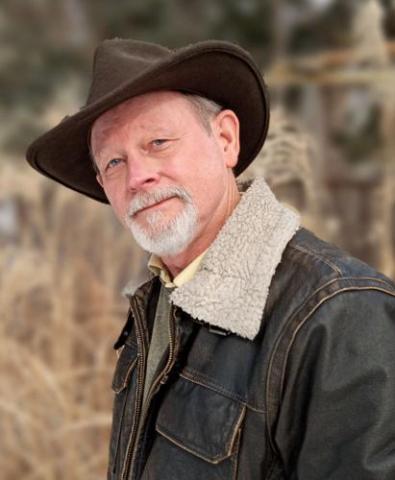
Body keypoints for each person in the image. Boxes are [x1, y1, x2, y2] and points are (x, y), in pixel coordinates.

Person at [26, 39, 395, 480]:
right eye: (114, 162)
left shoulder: (342, 314)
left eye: (159, 142)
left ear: (225, 140)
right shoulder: (160, 302)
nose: (139, 176)